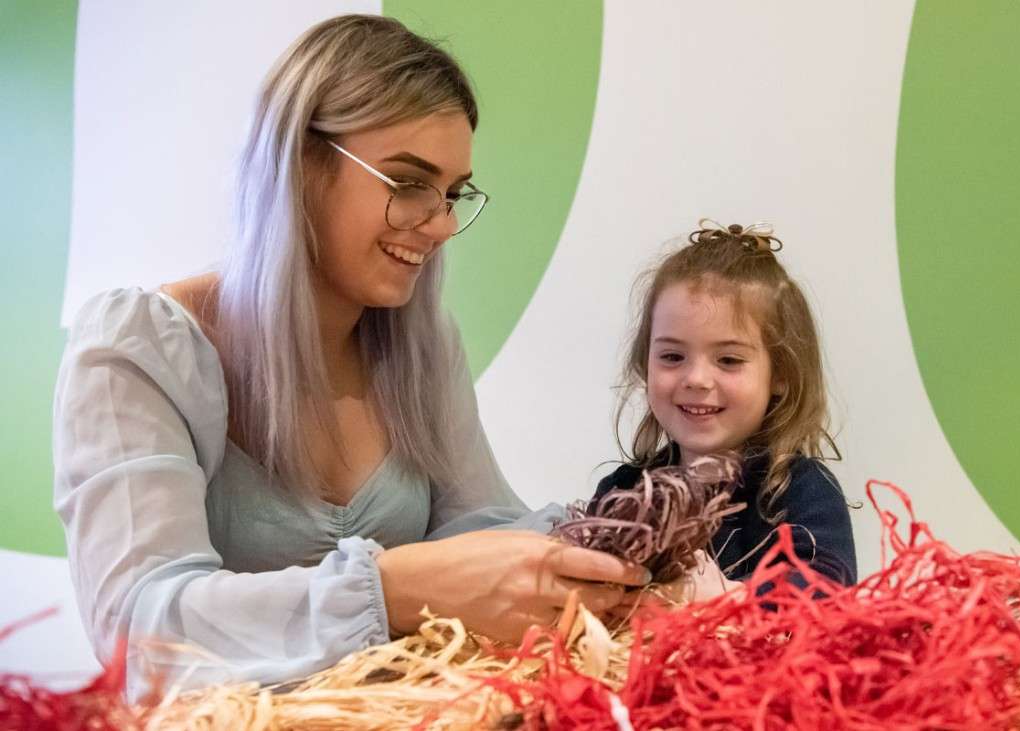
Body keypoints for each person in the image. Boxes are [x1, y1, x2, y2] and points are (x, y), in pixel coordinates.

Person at [51, 14, 648, 697]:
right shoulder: (138, 350)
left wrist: (607, 549)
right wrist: (389, 589)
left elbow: (483, 524)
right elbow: (137, 629)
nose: (443, 223)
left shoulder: (423, 347)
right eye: (408, 183)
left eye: (453, 193)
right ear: (302, 163)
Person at [593, 221, 856, 603]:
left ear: (780, 373)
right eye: (672, 356)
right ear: (643, 364)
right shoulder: (624, 489)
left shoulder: (802, 490)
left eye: (729, 360)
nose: (696, 378)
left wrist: (726, 599)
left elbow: (828, 592)